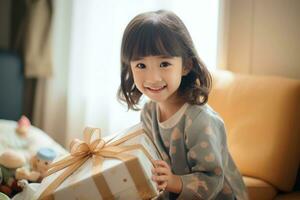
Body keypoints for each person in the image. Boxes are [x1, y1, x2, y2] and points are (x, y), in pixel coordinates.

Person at [117, 10, 248, 200]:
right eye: (141, 66)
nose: (153, 78)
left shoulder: (200, 121)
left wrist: (174, 181)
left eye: (164, 64)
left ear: (186, 66)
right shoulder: (148, 112)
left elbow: (212, 181)